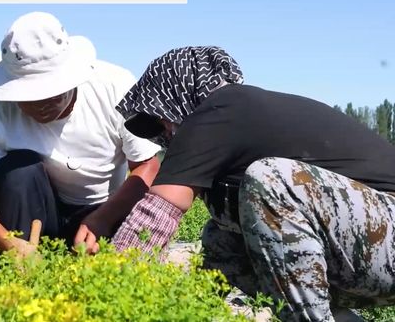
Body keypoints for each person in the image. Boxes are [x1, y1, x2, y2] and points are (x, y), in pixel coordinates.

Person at [111, 46, 395, 321]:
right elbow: (220, 255)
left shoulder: (222, 107)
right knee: (222, 230)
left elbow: (156, 214)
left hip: (388, 229)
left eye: (162, 117)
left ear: (179, 95)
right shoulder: (235, 121)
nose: (167, 129)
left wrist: (110, 288)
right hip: (371, 252)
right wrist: (183, 311)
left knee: (270, 180)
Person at [0, 12, 161, 257]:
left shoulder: (114, 87)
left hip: (105, 207)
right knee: (18, 169)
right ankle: (24, 268)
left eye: (50, 94)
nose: (40, 104)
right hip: (39, 211)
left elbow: (147, 165)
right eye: (28, 97)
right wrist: (9, 243)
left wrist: (102, 219)